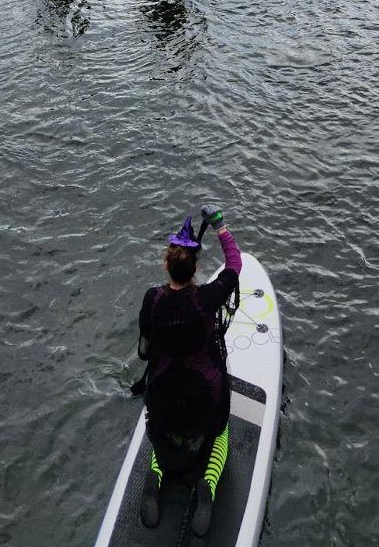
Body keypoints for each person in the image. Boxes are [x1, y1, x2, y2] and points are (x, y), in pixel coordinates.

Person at [135, 205, 240, 535]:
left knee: (165, 432)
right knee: (219, 430)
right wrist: (219, 225)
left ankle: (156, 476)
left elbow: (143, 352)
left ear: (166, 264)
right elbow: (235, 264)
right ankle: (207, 487)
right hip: (204, 400)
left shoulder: (152, 299)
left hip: (164, 398)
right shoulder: (207, 298)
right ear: (196, 268)